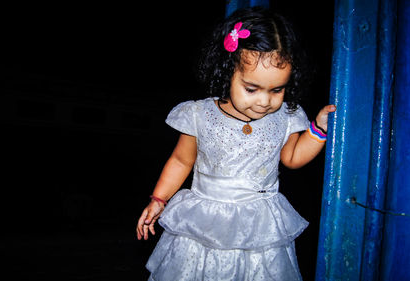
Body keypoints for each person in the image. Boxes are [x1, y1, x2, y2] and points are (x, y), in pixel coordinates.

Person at [136, 6, 336, 281]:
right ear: (227, 71)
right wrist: (159, 199)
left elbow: (292, 158)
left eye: (277, 89)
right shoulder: (199, 114)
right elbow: (182, 160)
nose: (265, 101)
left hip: (259, 232)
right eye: (252, 88)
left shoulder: (287, 116)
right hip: (202, 225)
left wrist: (318, 130)